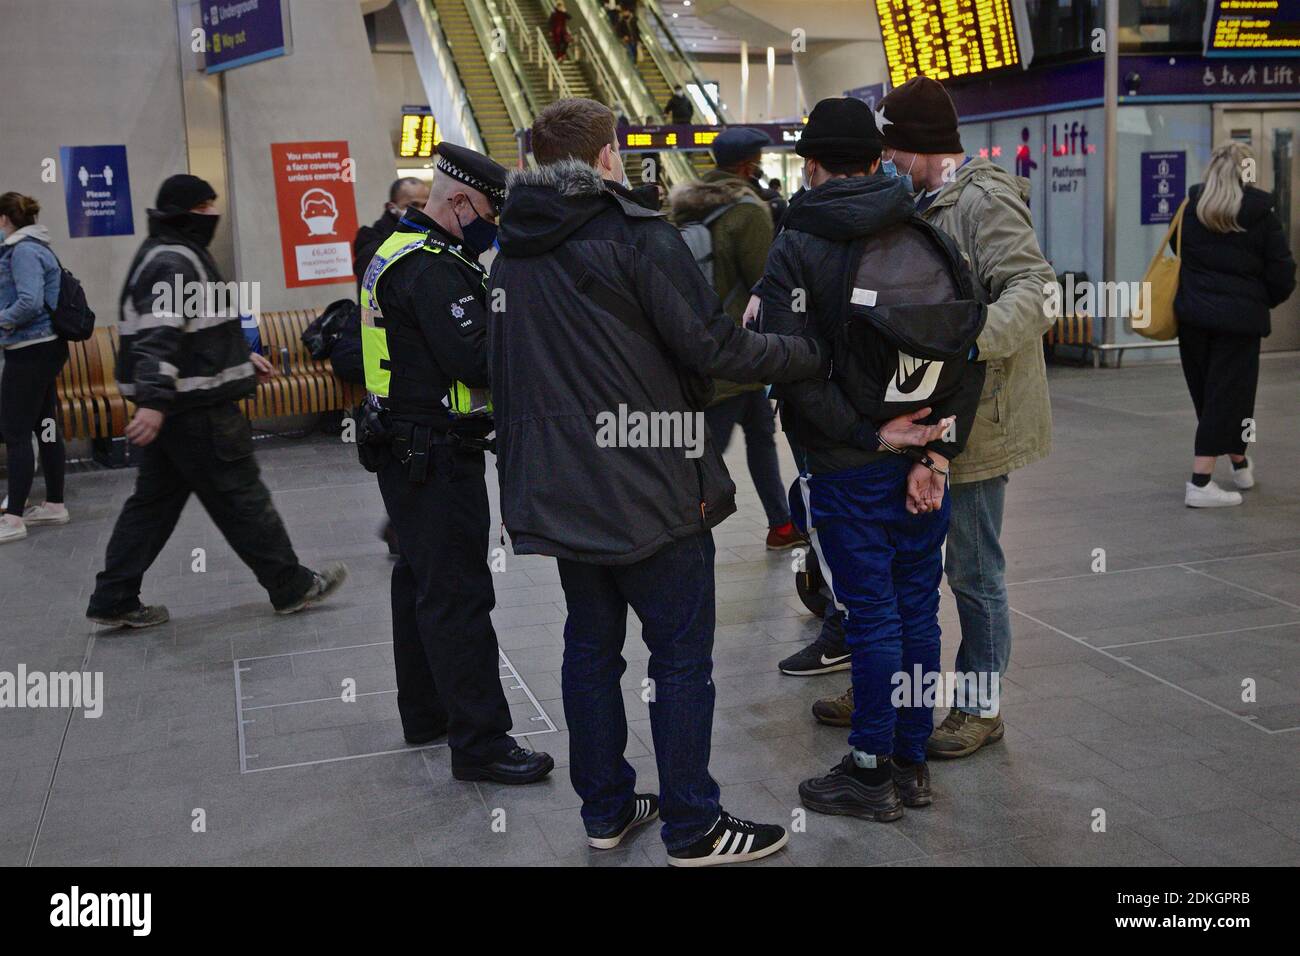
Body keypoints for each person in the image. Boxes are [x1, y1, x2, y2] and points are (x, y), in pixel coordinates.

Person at [488, 98, 827, 865]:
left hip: (565, 490)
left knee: (590, 649)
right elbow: (714, 348)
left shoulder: (512, 253)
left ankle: (606, 810)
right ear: (607, 156)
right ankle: (693, 826)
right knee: (678, 659)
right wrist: (806, 354)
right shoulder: (639, 237)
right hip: (651, 482)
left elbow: (501, 372)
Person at [806, 76, 1057, 759]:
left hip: (979, 421)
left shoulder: (982, 199)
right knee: (895, 567)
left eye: (893, 148)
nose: (886, 160)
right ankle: (883, 685)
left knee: (972, 570)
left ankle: (980, 705)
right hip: (913, 418)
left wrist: (967, 339)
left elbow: (1036, 289)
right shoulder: (915, 200)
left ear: (918, 147)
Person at [758, 97, 984, 821]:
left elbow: (794, 369)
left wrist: (872, 436)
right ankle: (911, 762)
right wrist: (935, 453)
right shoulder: (925, 230)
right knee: (918, 610)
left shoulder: (799, 244)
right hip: (921, 466)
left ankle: (867, 771)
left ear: (812, 167)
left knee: (871, 619)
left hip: (846, 467)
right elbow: (968, 349)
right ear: (878, 161)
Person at [357, 143, 553, 786]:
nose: (492, 229)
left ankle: (426, 713)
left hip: (408, 447)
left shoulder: (398, 248)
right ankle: (481, 744)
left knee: (420, 582)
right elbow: (474, 361)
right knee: (459, 596)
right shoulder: (432, 268)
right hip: (435, 454)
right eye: (491, 216)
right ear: (462, 203)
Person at [85, 175, 347, 629]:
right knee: (242, 498)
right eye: (204, 207)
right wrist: (153, 400)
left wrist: (240, 357)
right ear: (183, 212)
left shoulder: (173, 252)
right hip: (197, 411)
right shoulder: (173, 260)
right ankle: (291, 586)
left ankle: (114, 596)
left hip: (180, 409)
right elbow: (158, 334)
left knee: (153, 506)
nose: (212, 215)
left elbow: (195, 329)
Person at [668, 126, 802, 550]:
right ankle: (681, 526)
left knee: (760, 435)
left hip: (701, 346)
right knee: (709, 449)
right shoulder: (747, 211)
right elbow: (767, 283)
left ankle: (782, 524)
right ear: (748, 166)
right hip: (738, 353)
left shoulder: (684, 207)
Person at [1174, 141, 1295, 508]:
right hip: (1238, 324)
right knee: (1226, 398)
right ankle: (1200, 483)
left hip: (1193, 319)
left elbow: (1178, 250)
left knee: (1213, 397)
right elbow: (1283, 272)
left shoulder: (1191, 210)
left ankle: (1239, 463)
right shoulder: (1262, 214)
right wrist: (1258, 300)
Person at [0, 192, 69, 544]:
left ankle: (13, 518)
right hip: (45, 347)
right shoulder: (37, 245)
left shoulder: (23, 251)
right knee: (45, 425)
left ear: (3, 220)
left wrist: (1, 319)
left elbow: (29, 301)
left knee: (15, 432)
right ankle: (54, 504)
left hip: (29, 349)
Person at [353, 177, 430, 294]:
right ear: (392, 208)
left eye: (425, 205)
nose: (421, 211)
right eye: (413, 205)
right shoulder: (372, 242)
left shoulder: (429, 234)